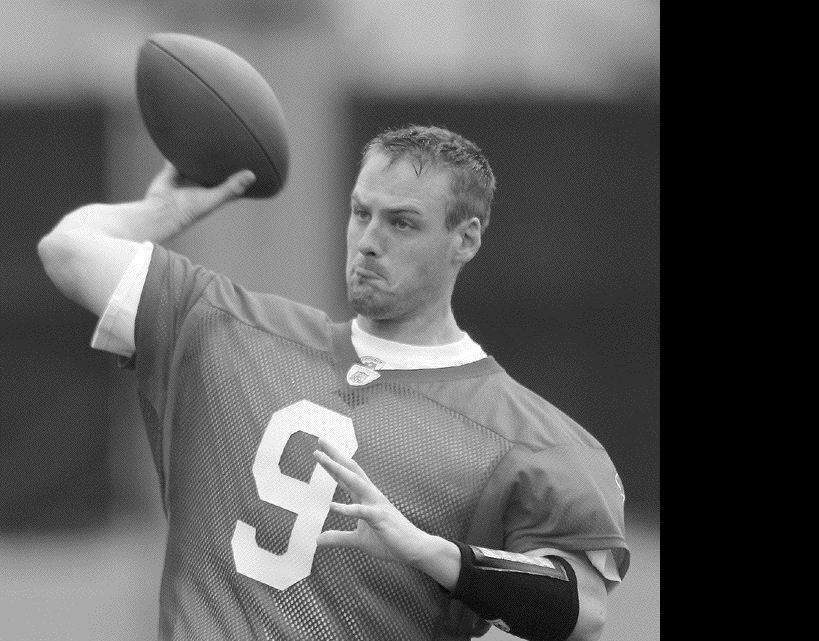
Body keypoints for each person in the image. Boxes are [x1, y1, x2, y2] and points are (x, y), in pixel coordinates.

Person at [37, 125, 629, 641]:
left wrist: (436, 555)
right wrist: (161, 216)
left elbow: (580, 611)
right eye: (360, 212)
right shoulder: (226, 330)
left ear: (466, 239)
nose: (370, 241)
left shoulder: (524, 438)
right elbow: (68, 249)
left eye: (402, 222)